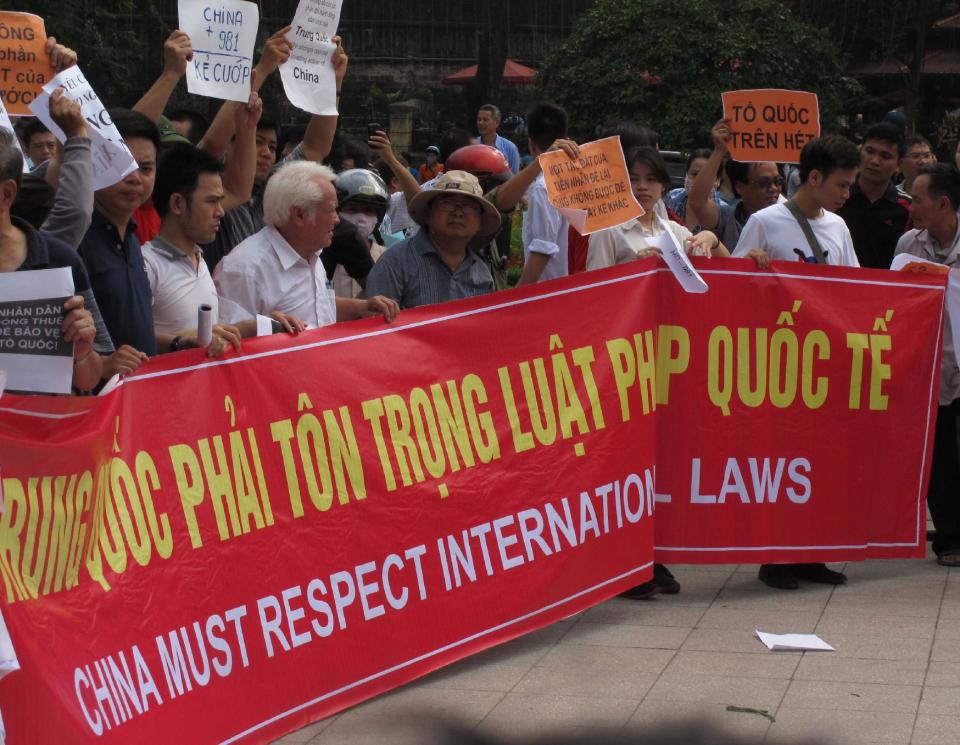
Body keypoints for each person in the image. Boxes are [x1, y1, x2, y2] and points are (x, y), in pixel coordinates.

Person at [734, 135, 861, 589]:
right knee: (781, 464)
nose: (847, 194)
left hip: (824, 362)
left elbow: (853, 289)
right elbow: (731, 283)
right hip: (780, 363)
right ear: (813, 177)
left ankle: (812, 552)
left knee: (820, 461)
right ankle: (775, 557)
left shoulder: (840, 229)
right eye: (842, 185)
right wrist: (751, 266)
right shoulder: (765, 222)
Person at [215, 161, 398, 327]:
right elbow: (229, 346)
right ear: (299, 215)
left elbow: (317, 306)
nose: (337, 220)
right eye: (331, 211)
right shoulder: (245, 271)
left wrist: (361, 307)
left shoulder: (311, 252)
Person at [0, 128, 101, 391]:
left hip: (43, 429)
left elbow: (90, 379)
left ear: (6, 194)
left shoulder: (60, 260)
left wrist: (81, 350)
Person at [894, 164, 960, 566]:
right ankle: (950, 537)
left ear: (943, 202)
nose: (911, 206)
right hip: (928, 365)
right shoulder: (908, 244)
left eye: (917, 199)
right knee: (939, 454)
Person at [78, 109, 163, 379]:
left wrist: (179, 341)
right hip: (93, 409)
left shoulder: (133, 238)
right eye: (122, 165)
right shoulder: (74, 241)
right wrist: (100, 365)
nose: (134, 178)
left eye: (146, 168)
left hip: (136, 401)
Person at [142, 144, 244, 356]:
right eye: (211, 201)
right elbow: (126, 339)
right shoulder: (146, 265)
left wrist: (269, 324)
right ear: (178, 204)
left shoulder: (200, 258)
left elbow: (211, 334)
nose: (221, 212)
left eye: (220, 201)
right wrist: (179, 342)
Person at [364, 170, 500, 308]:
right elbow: (375, 321)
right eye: (447, 203)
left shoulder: (482, 275)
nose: (458, 212)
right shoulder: (396, 262)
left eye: (469, 206)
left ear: (479, 223)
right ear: (428, 214)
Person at [587, 147, 726, 271]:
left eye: (651, 179)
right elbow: (595, 288)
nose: (642, 186)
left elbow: (728, 268)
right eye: (633, 179)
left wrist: (713, 240)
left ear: (663, 186)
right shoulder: (607, 231)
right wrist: (635, 268)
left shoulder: (675, 231)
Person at [493, 102, 580, 285]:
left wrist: (518, 295)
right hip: (575, 283)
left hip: (548, 290)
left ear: (531, 145)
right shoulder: (580, 179)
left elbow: (543, 250)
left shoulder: (543, 187)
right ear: (567, 139)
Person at [687, 119, 783, 251]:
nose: (773, 188)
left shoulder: (792, 222)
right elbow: (697, 202)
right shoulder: (728, 219)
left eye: (778, 182)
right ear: (739, 187)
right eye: (763, 183)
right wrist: (719, 151)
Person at [836, 122, 911, 269]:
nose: (875, 161)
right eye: (870, 151)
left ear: (899, 165)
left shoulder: (908, 208)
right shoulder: (836, 198)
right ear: (860, 151)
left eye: (885, 156)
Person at [331, 168, 390, 298]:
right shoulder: (321, 255)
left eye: (368, 210)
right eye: (352, 209)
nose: (361, 217)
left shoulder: (387, 258)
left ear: (378, 217)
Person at [664, 148, 724, 233]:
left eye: (706, 176)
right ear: (686, 175)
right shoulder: (671, 198)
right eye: (694, 174)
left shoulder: (724, 212)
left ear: (717, 181)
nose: (698, 181)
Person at [476, 104, 520, 173]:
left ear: (496, 123)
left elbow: (515, 179)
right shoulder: (471, 146)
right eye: (479, 119)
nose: (481, 123)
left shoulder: (510, 148)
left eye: (485, 119)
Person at [898, 134, 937, 201]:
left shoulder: (945, 192)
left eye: (927, 156)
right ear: (901, 163)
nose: (923, 161)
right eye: (915, 156)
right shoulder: (893, 195)